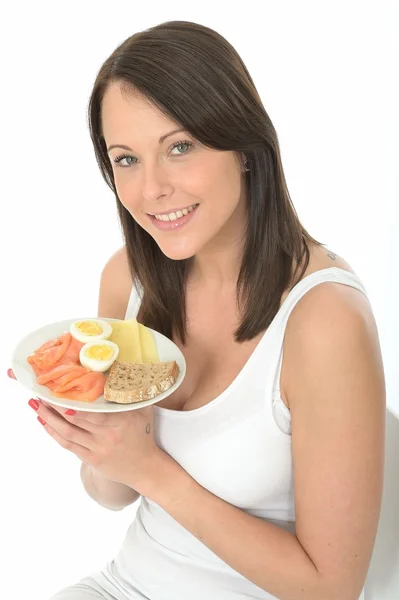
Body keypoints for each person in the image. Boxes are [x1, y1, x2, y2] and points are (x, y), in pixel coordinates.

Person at [8, 20, 386, 600]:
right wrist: (99, 438)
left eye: (179, 147)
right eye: (126, 159)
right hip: (125, 586)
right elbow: (111, 494)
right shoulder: (128, 280)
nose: (151, 189)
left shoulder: (323, 320)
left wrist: (149, 468)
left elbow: (333, 587)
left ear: (245, 148)